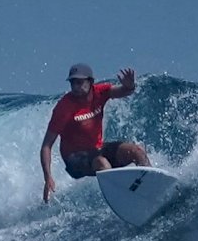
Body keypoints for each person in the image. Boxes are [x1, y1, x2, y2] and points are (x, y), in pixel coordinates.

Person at [40, 63, 150, 203]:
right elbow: (46, 145)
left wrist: (129, 86)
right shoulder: (64, 107)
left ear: (90, 81)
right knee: (101, 163)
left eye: (80, 82)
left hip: (96, 149)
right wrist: (47, 177)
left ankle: (150, 184)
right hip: (74, 159)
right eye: (73, 83)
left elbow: (124, 91)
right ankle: (122, 200)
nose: (76, 87)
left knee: (137, 151)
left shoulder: (100, 92)